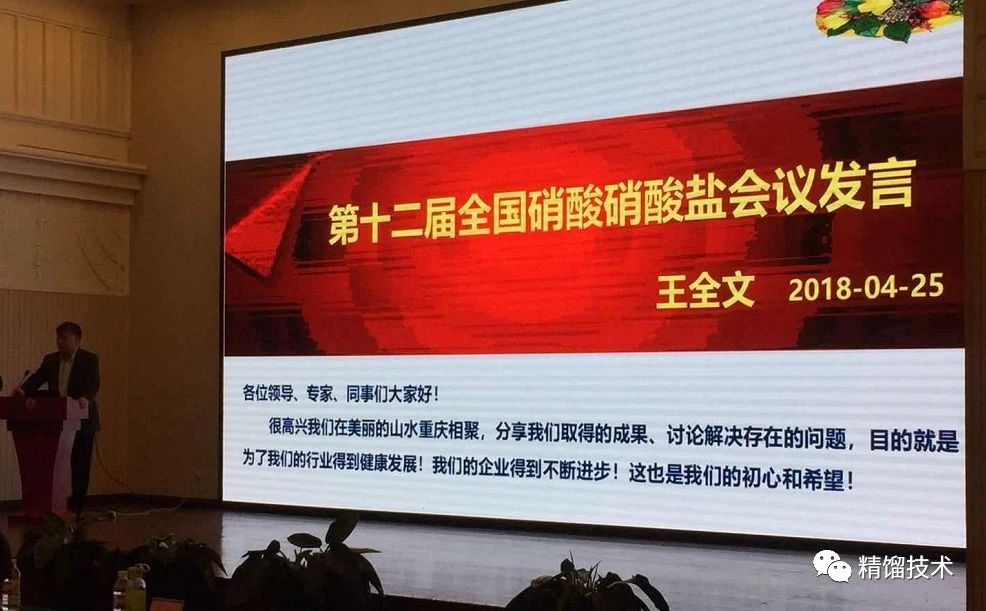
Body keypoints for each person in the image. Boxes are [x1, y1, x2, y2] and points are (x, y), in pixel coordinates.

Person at [15, 322, 100, 515]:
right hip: (56, 422)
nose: (60, 342)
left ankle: (76, 509)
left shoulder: (89, 359)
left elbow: (93, 384)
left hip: (82, 420)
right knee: (53, 465)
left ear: (77, 340)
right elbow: (37, 379)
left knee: (80, 466)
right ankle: (50, 507)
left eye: (64, 338)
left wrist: (85, 399)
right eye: (58, 338)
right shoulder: (51, 360)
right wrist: (23, 390)